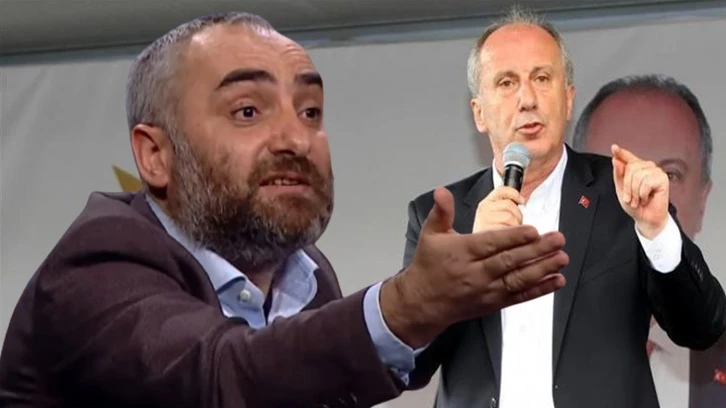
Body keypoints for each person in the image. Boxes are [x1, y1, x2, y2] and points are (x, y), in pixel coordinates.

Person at [0, 11, 572, 408]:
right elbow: (223, 378)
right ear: (155, 155)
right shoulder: (98, 264)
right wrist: (405, 306)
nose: (296, 139)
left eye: (310, 111)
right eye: (247, 111)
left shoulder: (308, 275)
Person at [400, 7, 726, 408]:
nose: (527, 99)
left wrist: (658, 232)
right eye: (506, 82)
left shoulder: (622, 194)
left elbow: (703, 328)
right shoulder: (442, 217)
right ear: (479, 114)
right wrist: (462, 266)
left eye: (542, 78)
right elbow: (408, 366)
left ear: (568, 98)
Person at [571, 74, 725, 408]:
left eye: (670, 174)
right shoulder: (525, 340)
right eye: (614, 170)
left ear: (702, 201)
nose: (642, 192)